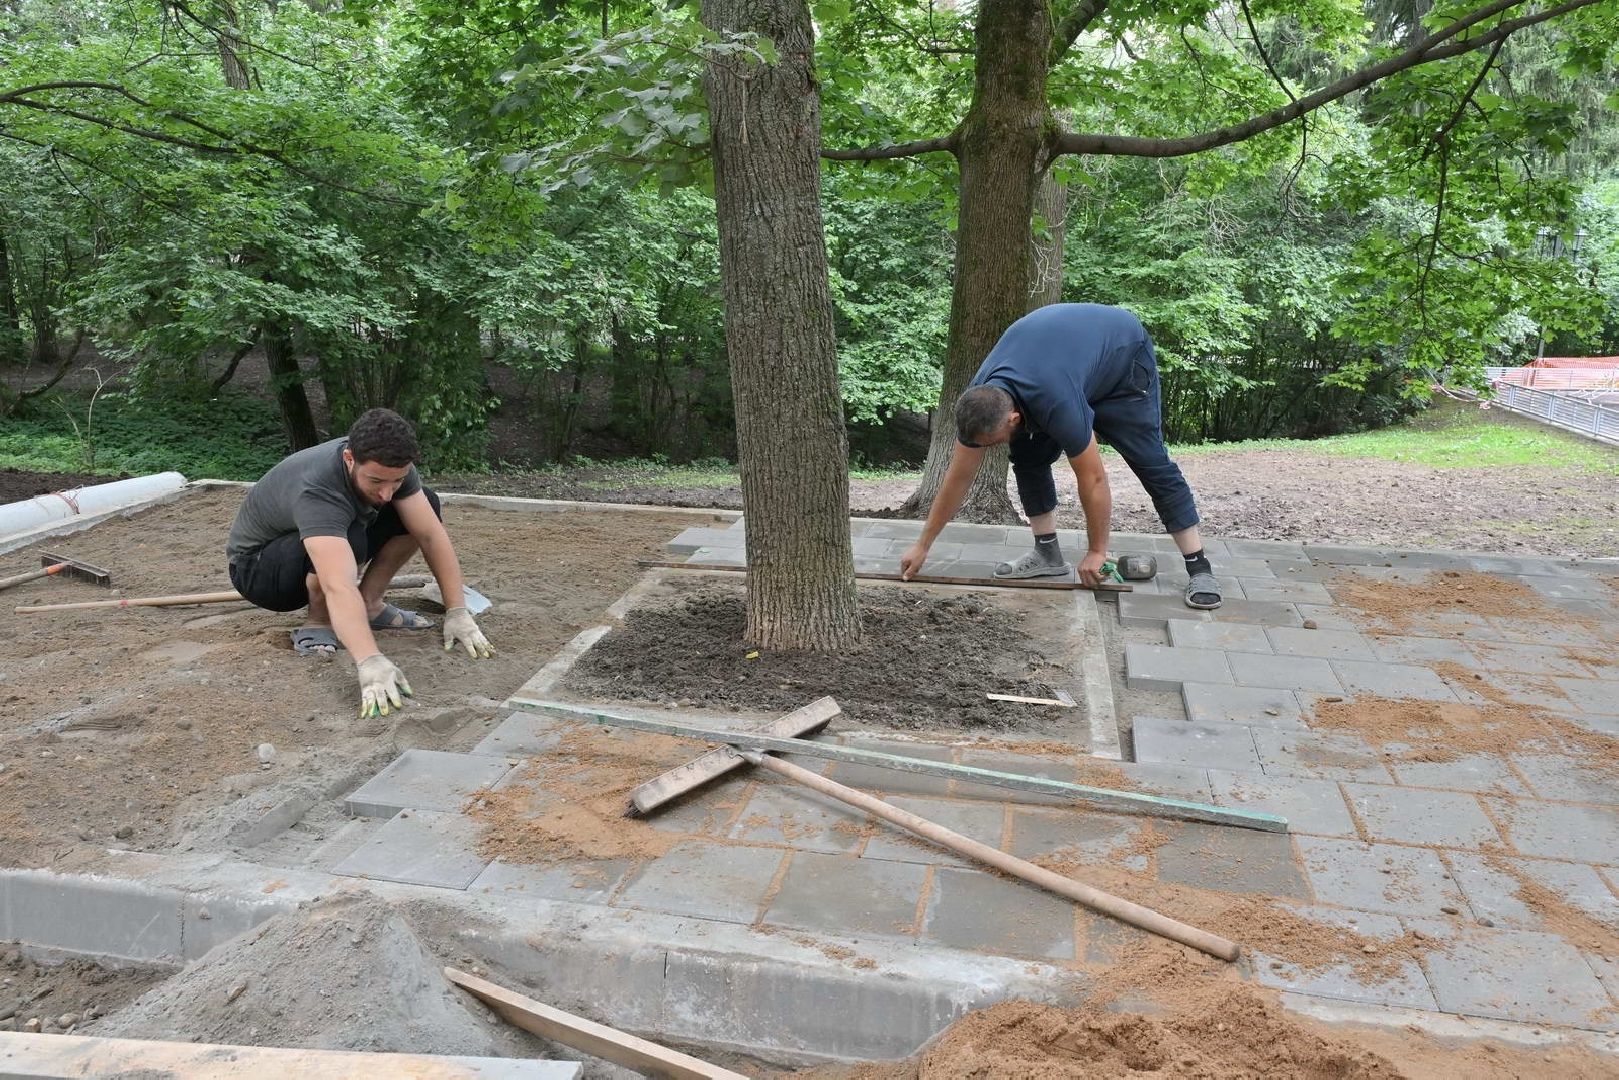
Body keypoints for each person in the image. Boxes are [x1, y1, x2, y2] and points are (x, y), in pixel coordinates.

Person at [898, 303, 1222, 610]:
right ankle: (1047, 555)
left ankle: (1199, 567)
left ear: (1012, 417)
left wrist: (1097, 552)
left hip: (1123, 358)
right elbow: (958, 477)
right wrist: (923, 545)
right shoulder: (979, 402)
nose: (990, 448)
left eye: (993, 442)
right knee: (1027, 454)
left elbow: (1093, 479)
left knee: (1150, 462)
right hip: (1065, 361)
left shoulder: (1055, 400)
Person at [225, 407, 495, 718]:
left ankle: (369, 604)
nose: (386, 492)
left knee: (426, 505)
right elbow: (339, 584)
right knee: (348, 535)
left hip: (311, 546)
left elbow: (431, 536)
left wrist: (457, 610)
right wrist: (370, 660)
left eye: (397, 481)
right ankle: (319, 622)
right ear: (349, 459)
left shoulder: (391, 467)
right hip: (259, 571)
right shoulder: (319, 488)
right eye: (376, 480)